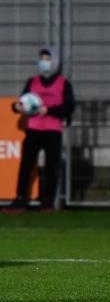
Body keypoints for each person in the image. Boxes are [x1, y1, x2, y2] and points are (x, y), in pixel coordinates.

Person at [2, 47, 75, 213]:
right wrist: (18, 107)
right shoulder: (32, 82)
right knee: (26, 164)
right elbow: (20, 103)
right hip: (33, 129)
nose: (44, 62)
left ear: (55, 62)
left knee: (51, 166)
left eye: (47, 59)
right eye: (42, 58)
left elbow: (69, 107)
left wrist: (49, 111)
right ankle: (20, 199)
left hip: (52, 129)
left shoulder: (63, 83)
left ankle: (47, 201)